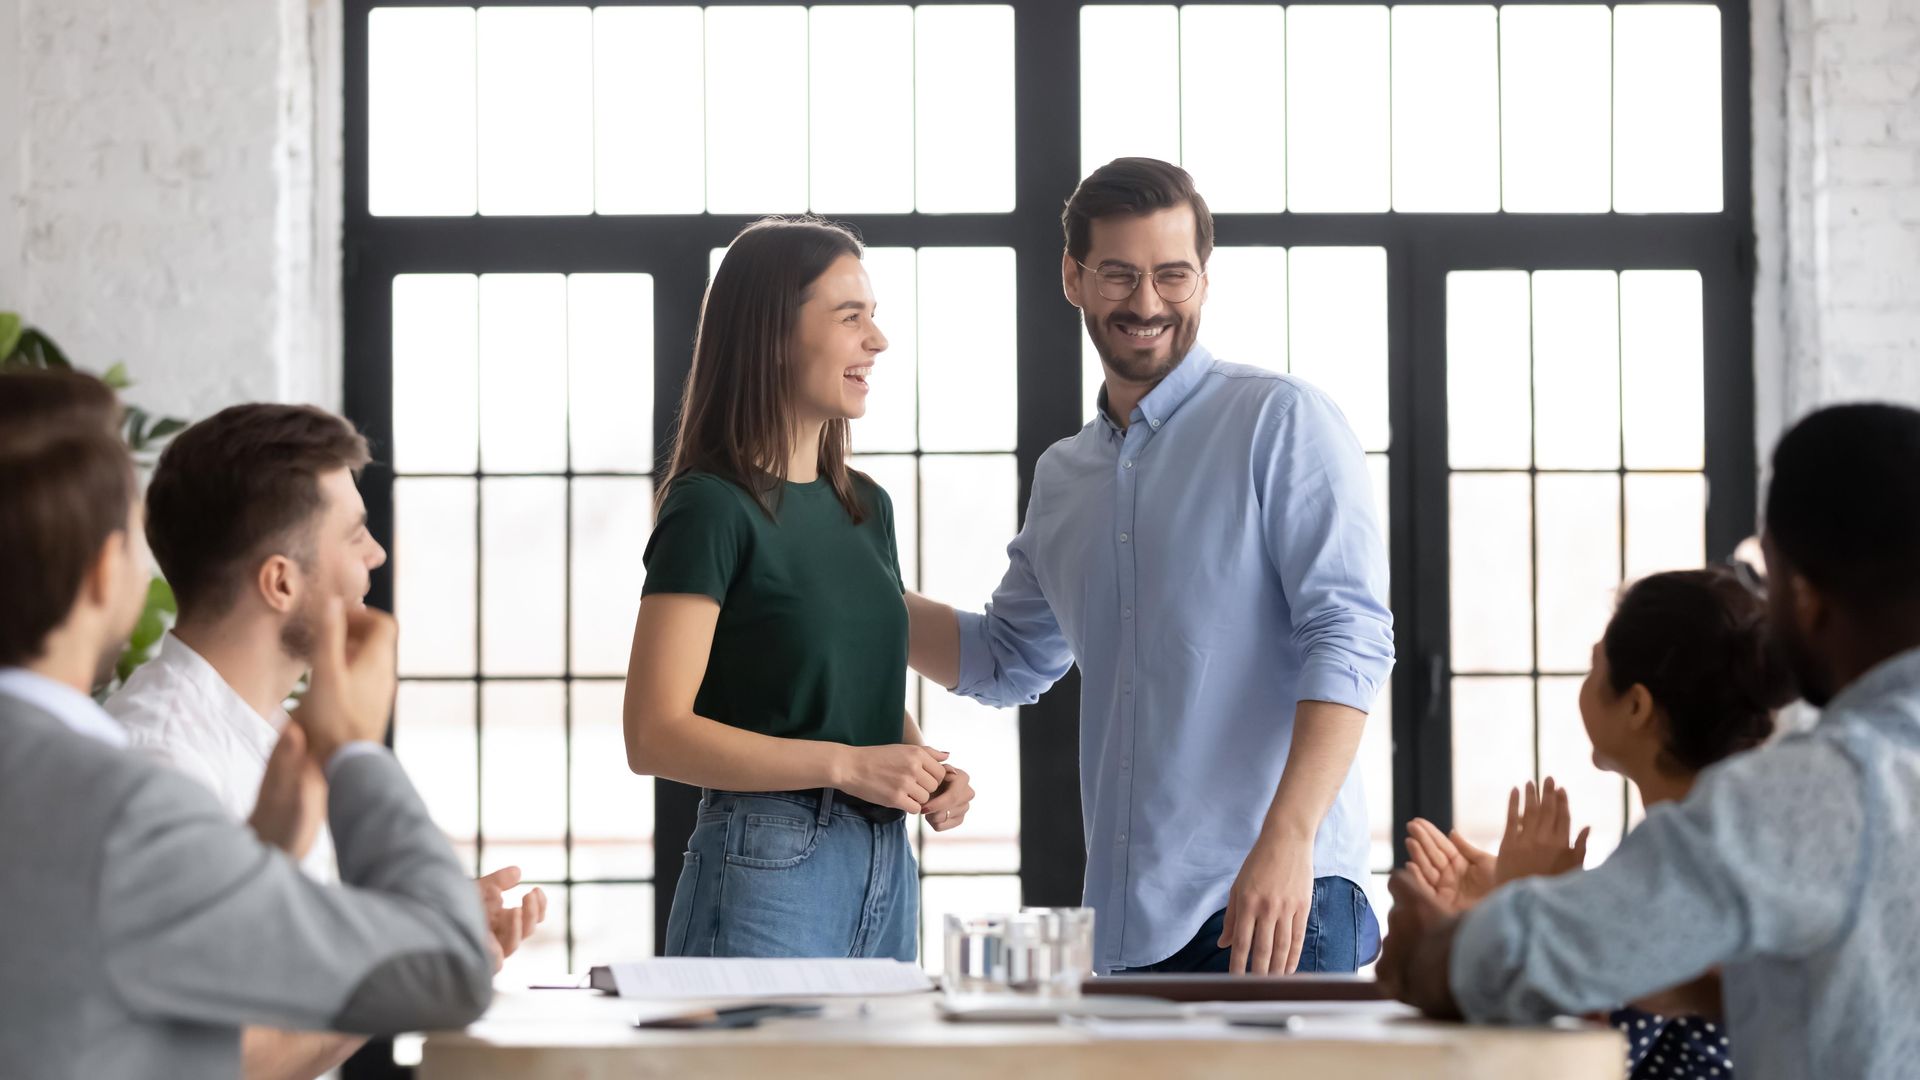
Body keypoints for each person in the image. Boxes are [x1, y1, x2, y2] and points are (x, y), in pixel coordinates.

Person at [905, 158, 1394, 976]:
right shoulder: (1066, 476)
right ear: (1074, 277)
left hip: (1277, 900)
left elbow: (1350, 637)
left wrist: (1289, 840)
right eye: (1120, 275)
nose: (1146, 303)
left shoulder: (1280, 420)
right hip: (1132, 921)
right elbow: (1004, 659)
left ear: (1203, 277)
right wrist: (842, 591)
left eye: (1173, 275)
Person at [1378, 402, 1920, 1080]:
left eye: (1771, 571)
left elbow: (1502, 962)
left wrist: (1437, 947)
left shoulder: (1815, 793)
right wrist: (1690, 986)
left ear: (1806, 598)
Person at [0, 369, 495, 1078]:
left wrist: (270, 858)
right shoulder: (144, 783)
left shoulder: (231, 762)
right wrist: (354, 746)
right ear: (107, 573)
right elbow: (442, 968)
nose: (377, 556)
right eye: (355, 535)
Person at [104, 402, 545, 1080]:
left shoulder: (271, 731)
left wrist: (426, 944)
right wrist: (418, 971)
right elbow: (229, 1059)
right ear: (281, 581)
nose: (378, 554)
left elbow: (294, 999)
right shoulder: (164, 766)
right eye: (356, 535)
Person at [623, 216, 975, 961]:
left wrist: (921, 768)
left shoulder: (865, 506)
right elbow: (653, 734)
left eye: (873, 318)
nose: (876, 341)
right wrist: (848, 765)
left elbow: (851, 695)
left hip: (883, 855)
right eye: (851, 318)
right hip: (768, 857)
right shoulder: (711, 506)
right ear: (771, 335)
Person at [1402, 566, 1795, 1079]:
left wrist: (1525, 902)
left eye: (1594, 668)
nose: (1585, 687)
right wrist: (1514, 900)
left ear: (1636, 706)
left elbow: (1580, 1057)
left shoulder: (1678, 864)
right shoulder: (1733, 837)